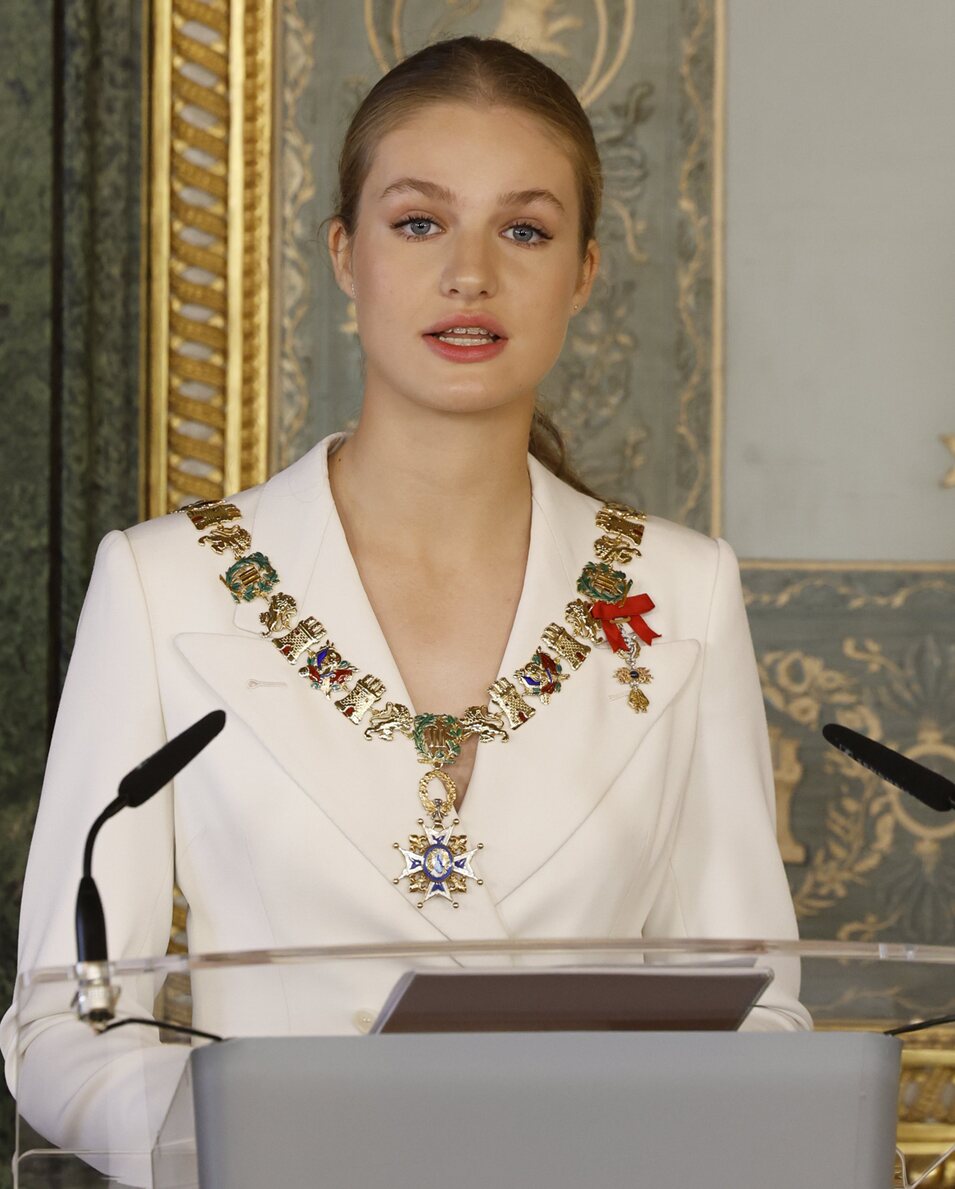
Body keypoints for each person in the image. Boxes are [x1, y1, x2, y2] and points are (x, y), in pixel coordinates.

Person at [1, 33, 810, 1180]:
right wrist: (253, 1138)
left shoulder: (679, 591)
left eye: (523, 229)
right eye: (419, 221)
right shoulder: (164, 581)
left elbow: (761, 1006)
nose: (470, 273)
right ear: (345, 253)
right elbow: (60, 1020)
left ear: (583, 270)